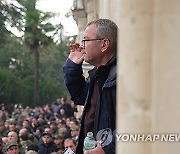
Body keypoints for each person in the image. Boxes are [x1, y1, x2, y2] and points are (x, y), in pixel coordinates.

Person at [63, 19, 117, 154]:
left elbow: (135, 123)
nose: (82, 46)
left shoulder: (121, 77)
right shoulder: (99, 75)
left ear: (104, 44)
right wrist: (73, 67)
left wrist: (107, 149)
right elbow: (80, 96)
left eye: (86, 40)